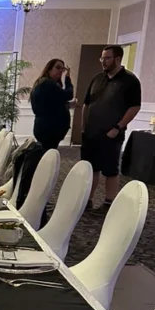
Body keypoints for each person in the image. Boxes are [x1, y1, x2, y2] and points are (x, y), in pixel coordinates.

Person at [82, 44, 141, 214]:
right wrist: (84, 127)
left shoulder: (130, 81)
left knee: (110, 169)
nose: (103, 61)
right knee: (91, 167)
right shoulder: (97, 78)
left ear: (117, 59)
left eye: (107, 58)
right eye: (102, 58)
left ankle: (109, 203)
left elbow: (134, 107)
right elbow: (87, 103)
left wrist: (117, 127)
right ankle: (89, 200)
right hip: (91, 132)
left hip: (111, 133)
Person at [30, 59, 75, 150]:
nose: (60, 71)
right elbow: (69, 94)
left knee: (48, 156)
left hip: (47, 129)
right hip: (48, 131)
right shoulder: (47, 84)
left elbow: (52, 105)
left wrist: (67, 105)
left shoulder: (45, 84)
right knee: (48, 158)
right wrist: (67, 78)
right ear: (49, 69)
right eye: (58, 67)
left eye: (62, 69)